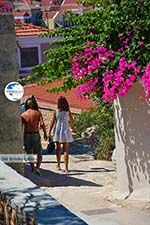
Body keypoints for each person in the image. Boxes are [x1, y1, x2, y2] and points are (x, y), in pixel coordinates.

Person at [48, 96, 76, 172]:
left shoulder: (56, 111)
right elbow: (72, 121)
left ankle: (58, 165)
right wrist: (73, 128)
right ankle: (66, 168)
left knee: (58, 149)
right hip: (66, 130)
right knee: (66, 150)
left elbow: (52, 122)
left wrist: (49, 132)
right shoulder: (67, 111)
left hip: (58, 130)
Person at [21, 98, 47, 175]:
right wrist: (45, 133)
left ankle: (32, 167)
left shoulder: (23, 115)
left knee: (29, 152)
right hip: (35, 134)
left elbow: (20, 127)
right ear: (34, 104)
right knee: (39, 152)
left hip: (27, 134)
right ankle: (38, 168)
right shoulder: (37, 113)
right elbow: (42, 124)